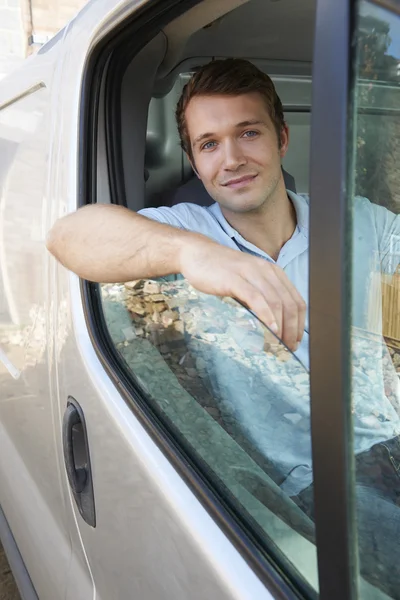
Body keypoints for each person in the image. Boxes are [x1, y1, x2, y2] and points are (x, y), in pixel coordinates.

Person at [47, 59, 400, 595]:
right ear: (193, 158)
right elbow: (69, 236)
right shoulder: (189, 228)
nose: (231, 159)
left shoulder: (356, 221)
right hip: (302, 482)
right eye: (209, 144)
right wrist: (191, 254)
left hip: (387, 440)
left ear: (282, 138)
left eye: (248, 133)